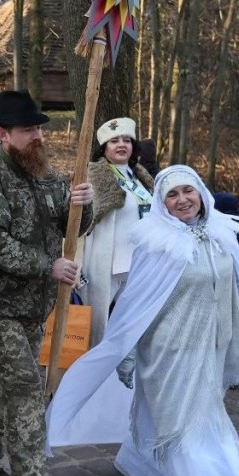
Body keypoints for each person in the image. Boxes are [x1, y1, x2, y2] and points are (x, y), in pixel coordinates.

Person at [47, 165, 239, 476]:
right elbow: (134, 302)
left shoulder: (222, 234)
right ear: (161, 202)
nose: (183, 200)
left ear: (201, 192)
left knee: (170, 418)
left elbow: (238, 291)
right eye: (172, 194)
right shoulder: (156, 244)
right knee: (194, 430)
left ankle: (138, 462)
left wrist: (233, 339)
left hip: (209, 349)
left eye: (188, 191)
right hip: (169, 352)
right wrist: (126, 352)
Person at [0, 89, 93, 476]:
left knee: (7, 385)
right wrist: (46, 265)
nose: (38, 136)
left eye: (39, 128)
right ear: (3, 134)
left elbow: (70, 225)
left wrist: (83, 204)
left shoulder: (45, 173)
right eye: (27, 130)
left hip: (36, 305)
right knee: (25, 391)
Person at [77, 117, 155, 348]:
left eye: (126, 140)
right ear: (104, 148)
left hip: (138, 264)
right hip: (106, 263)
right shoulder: (93, 176)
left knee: (131, 327)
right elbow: (80, 222)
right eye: (114, 141)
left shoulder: (140, 177)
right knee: (97, 327)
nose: (121, 145)